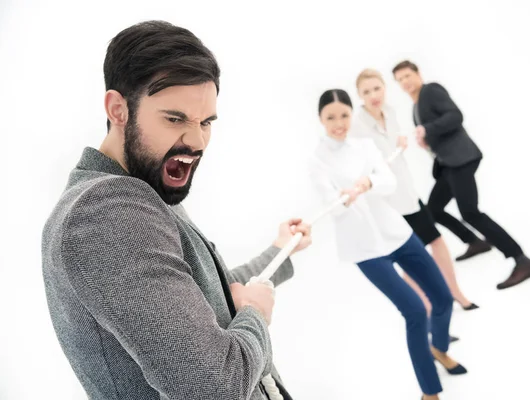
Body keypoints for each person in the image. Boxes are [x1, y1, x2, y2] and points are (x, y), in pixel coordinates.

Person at [41, 20, 312, 400]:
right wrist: (256, 317)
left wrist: (280, 250)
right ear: (119, 109)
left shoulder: (144, 185)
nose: (197, 140)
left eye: (206, 122)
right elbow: (215, 386)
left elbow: (199, 298)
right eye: (175, 118)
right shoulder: (106, 212)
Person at [309, 89, 467, 400]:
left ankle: (439, 349)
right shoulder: (317, 160)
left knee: (443, 298)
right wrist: (345, 196)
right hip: (365, 249)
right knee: (415, 312)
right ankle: (429, 391)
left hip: (397, 233)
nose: (338, 123)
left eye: (343, 115)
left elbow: (389, 182)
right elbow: (331, 203)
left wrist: (370, 182)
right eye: (331, 117)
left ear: (351, 115)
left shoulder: (365, 146)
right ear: (320, 120)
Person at [391, 60, 530, 290]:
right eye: (400, 79)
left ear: (417, 73)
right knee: (434, 210)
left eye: (407, 76)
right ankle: (474, 242)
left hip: (461, 159)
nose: (405, 82)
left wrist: (427, 130)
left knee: (470, 212)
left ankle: (522, 260)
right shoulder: (416, 107)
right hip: (448, 164)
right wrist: (427, 141)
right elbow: (438, 129)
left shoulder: (431, 90)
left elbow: (455, 116)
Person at [350, 68, 478, 311]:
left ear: (384, 89)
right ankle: (426, 308)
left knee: (436, 241)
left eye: (377, 88)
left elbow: (394, 149)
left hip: (407, 194)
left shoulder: (390, 112)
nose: (373, 95)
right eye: (366, 92)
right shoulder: (357, 125)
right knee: (410, 257)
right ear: (359, 95)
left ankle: (455, 293)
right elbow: (362, 164)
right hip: (386, 203)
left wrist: (400, 142)